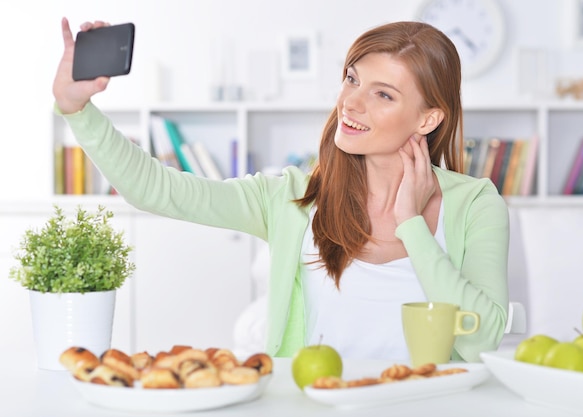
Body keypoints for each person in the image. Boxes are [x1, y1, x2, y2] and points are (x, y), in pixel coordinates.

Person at [53, 18, 509, 362]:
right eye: (352, 79)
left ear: (428, 119)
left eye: (383, 94)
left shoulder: (475, 204)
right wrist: (78, 110)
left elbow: (483, 337)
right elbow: (155, 189)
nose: (350, 102)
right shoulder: (293, 198)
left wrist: (413, 225)